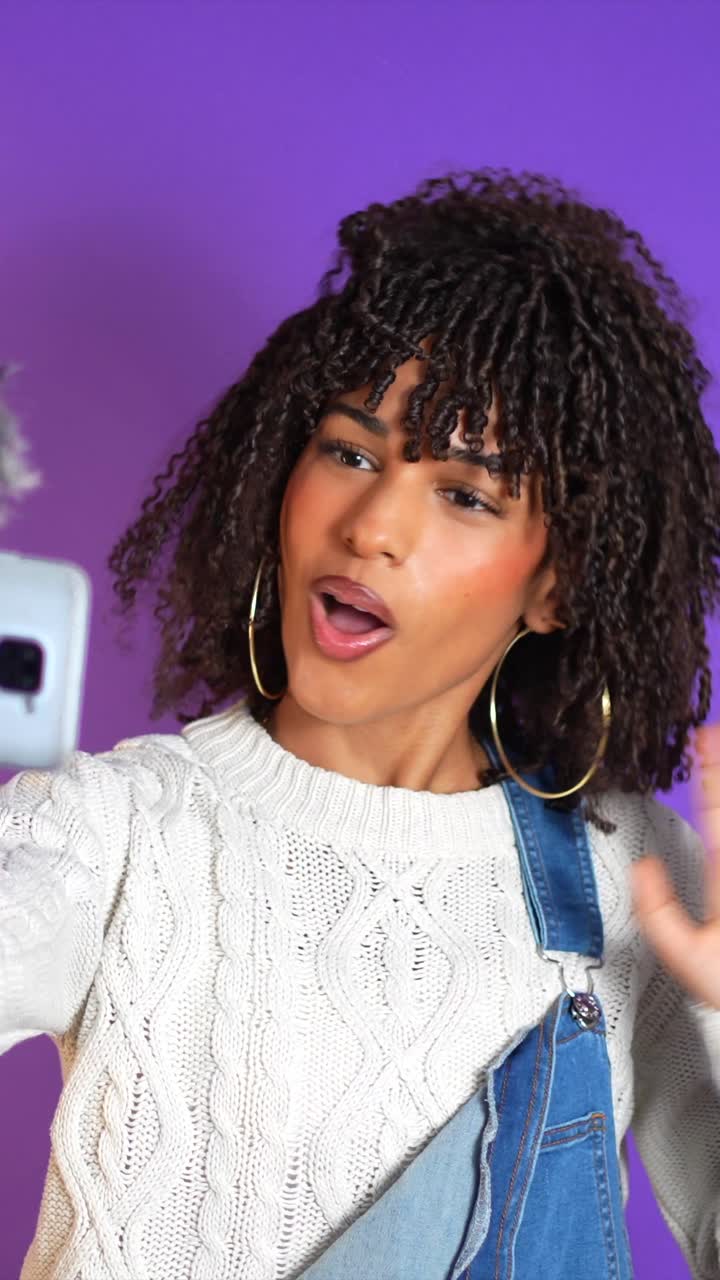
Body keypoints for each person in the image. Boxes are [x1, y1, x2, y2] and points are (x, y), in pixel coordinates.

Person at [1, 167, 720, 1280]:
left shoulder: (638, 884)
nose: (373, 524)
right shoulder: (110, 833)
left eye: (466, 494)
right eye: (349, 451)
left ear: (556, 586)